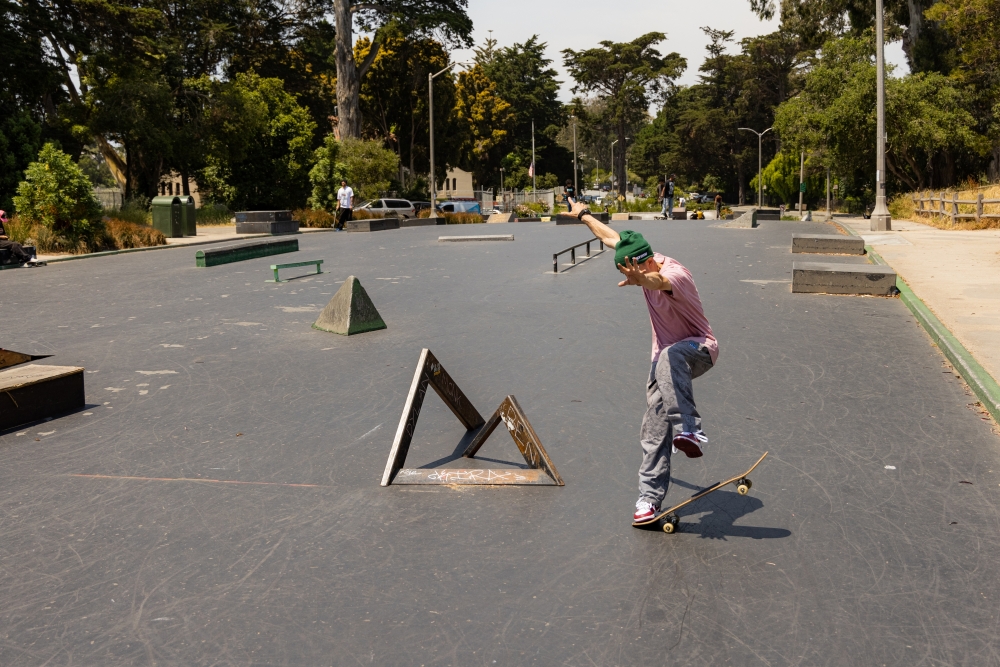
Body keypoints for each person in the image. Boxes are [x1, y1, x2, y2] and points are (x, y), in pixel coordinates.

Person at [567, 197, 719, 523]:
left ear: (646, 263)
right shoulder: (637, 255)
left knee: (670, 355)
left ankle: (690, 429)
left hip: (698, 350)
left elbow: (659, 282)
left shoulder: (675, 274)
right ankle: (648, 501)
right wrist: (583, 214)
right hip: (663, 360)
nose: (632, 279)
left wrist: (643, 280)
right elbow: (611, 238)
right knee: (654, 429)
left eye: (634, 272)